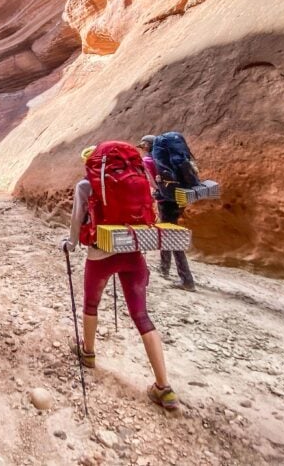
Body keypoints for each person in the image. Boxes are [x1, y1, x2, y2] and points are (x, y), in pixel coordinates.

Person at [62, 144, 179, 411]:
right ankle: (164, 387)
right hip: (133, 253)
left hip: (100, 255)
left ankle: (88, 353)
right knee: (141, 316)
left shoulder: (85, 186)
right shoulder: (138, 177)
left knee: (91, 305)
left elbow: (77, 220)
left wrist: (70, 244)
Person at [147, 132, 196, 291]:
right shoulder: (168, 159)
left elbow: (153, 182)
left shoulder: (152, 160)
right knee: (168, 231)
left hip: (165, 200)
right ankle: (164, 267)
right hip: (179, 196)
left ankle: (186, 279)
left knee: (171, 236)